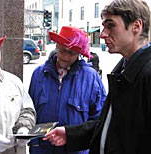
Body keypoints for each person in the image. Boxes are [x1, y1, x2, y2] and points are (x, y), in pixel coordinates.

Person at [44, 0, 151, 154]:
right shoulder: (123, 68)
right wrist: (70, 134)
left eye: (110, 26)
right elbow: (111, 126)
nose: (102, 34)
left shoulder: (146, 73)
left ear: (136, 26)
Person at [28, 26, 107, 154]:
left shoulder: (91, 77)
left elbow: (100, 119)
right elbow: (29, 111)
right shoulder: (39, 74)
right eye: (62, 50)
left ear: (79, 54)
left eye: (71, 53)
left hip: (76, 151)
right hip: (42, 149)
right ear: (57, 47)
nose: (65, 56)